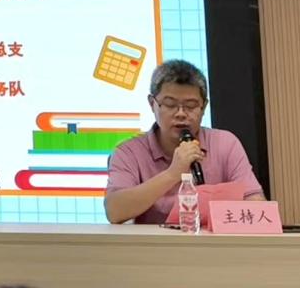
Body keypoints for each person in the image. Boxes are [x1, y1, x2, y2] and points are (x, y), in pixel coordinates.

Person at [105, 59, 265, 224]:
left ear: (204, 107)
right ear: (152, 104)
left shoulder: (225, 144)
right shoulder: (128, 152)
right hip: (156, 241)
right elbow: (115, 211)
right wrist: (173, 173)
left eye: (191, 106)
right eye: (170, 104)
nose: (181, 114)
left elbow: (257, 204)